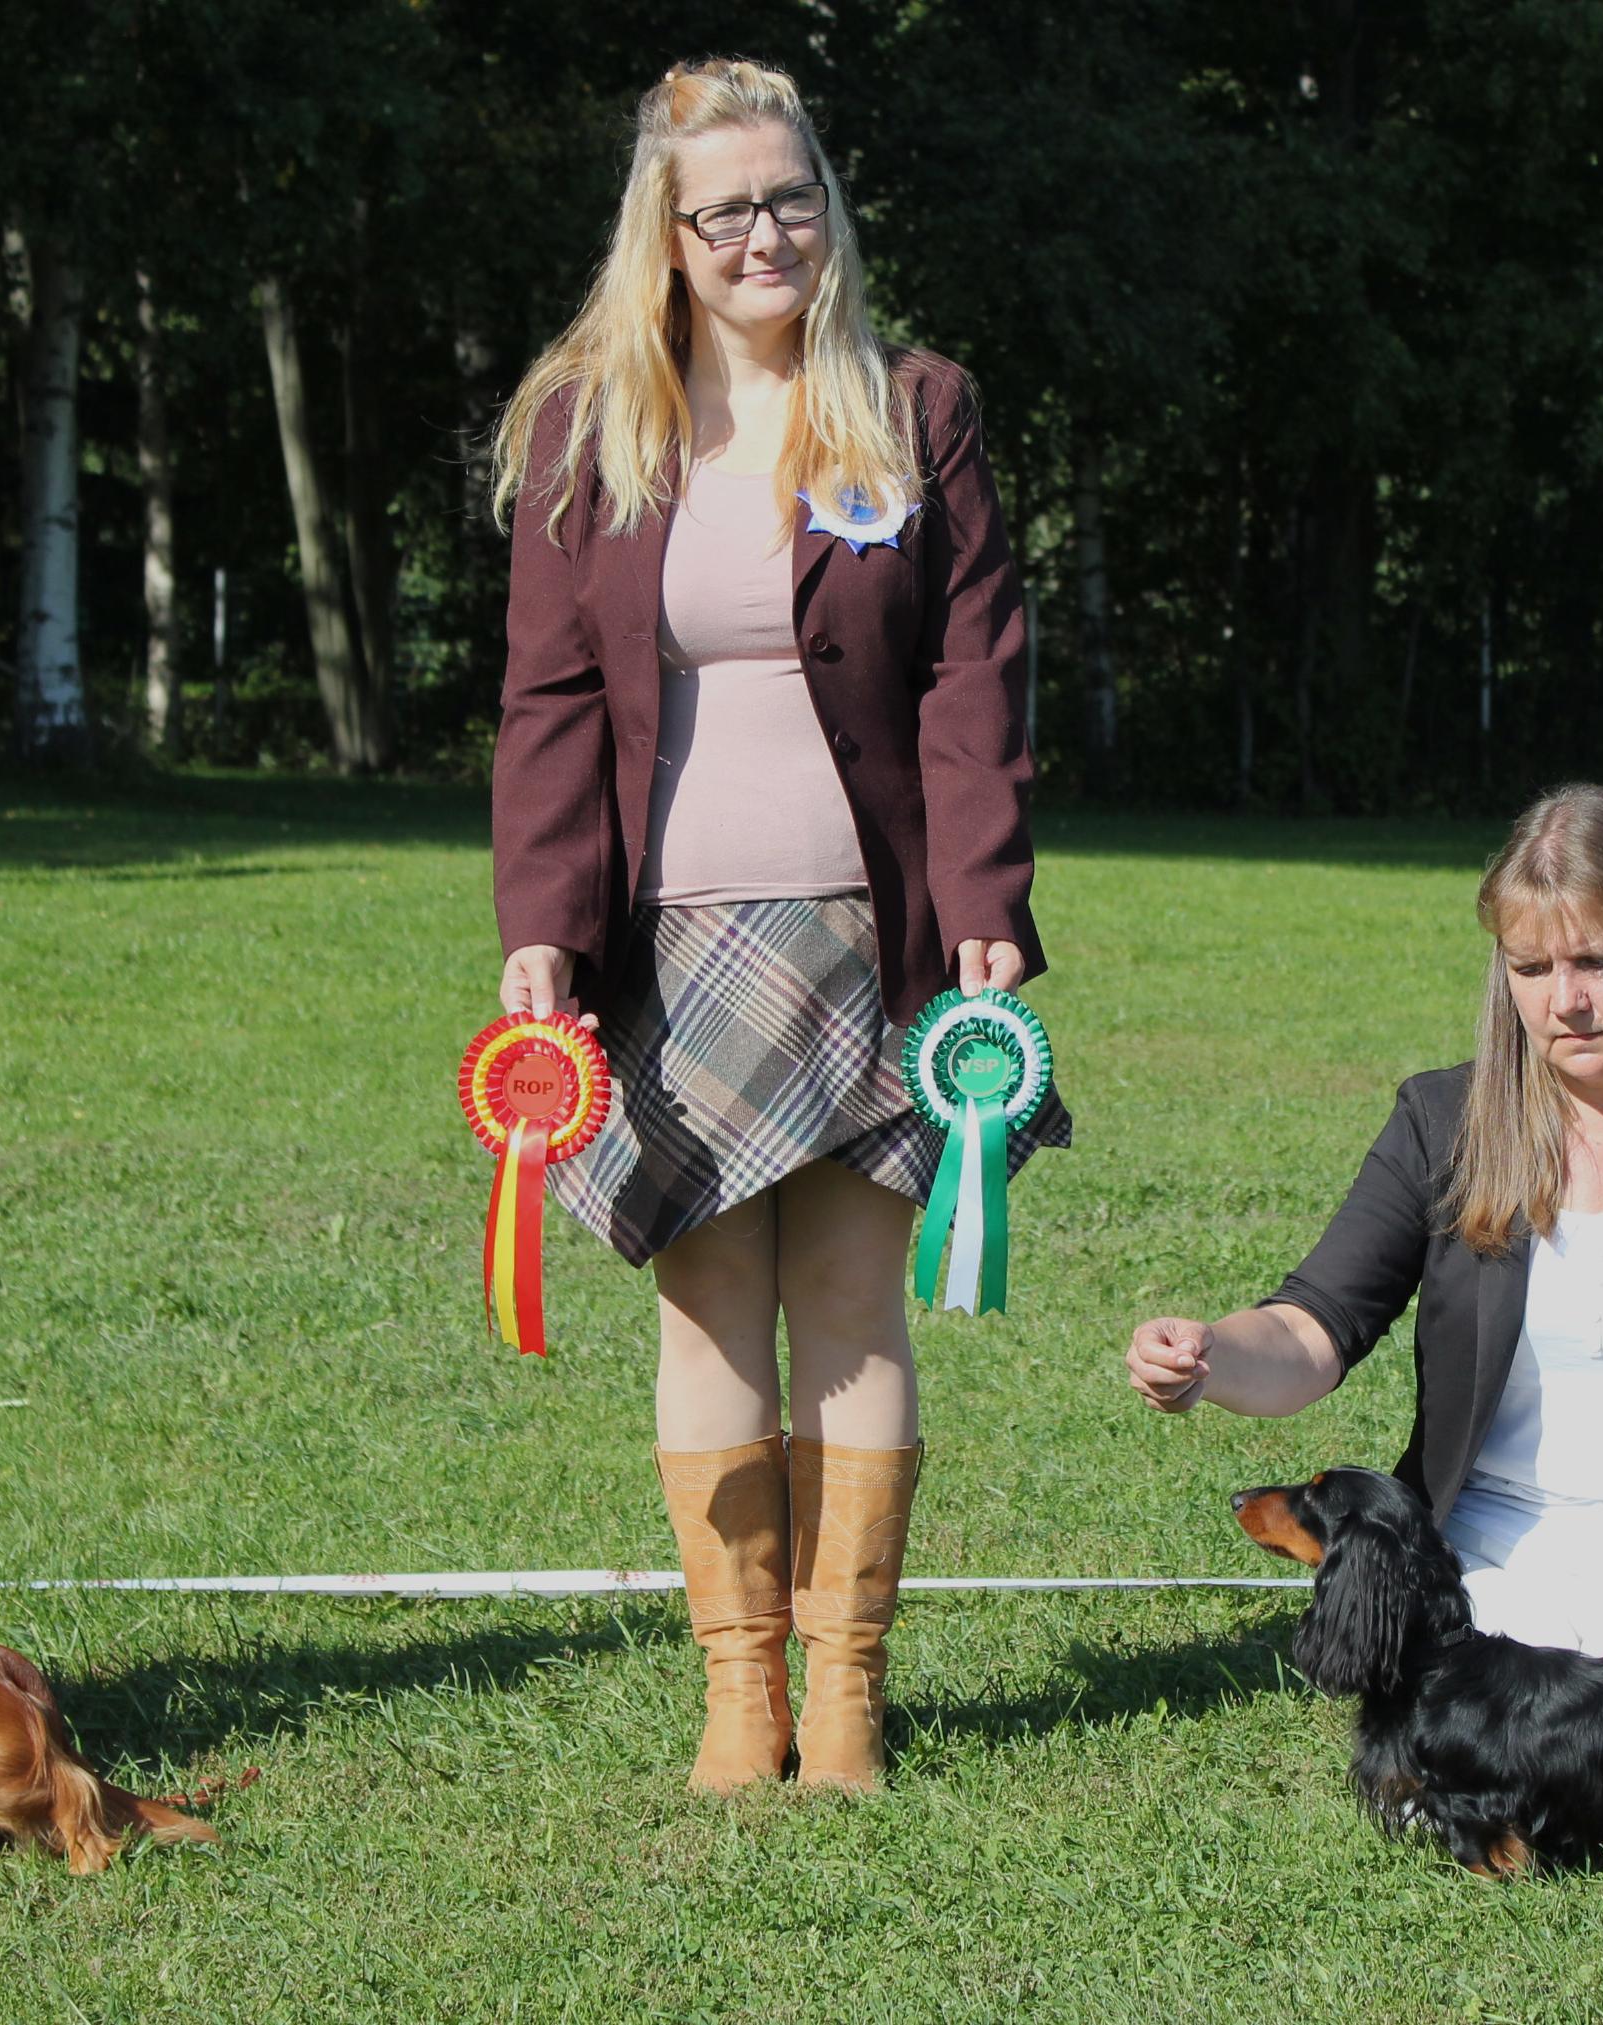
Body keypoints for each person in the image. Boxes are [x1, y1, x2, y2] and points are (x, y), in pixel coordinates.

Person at [489, 57, 1068, 1794]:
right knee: (706, 1304)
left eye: (790, 198)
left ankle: (848, 1696)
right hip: (664, 954)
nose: (764, 236)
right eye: (725, 210)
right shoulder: (582, 426)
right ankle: (740, 1696)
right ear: (663, 236)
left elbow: (973, 666)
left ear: (830, 205)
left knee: (852, 1304)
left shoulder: (915, 405)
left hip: (871, 940)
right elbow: (547, 700)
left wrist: (983, 897)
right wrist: (542, 924)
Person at [1125, 784, 1603, 1684]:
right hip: (1486, 1567)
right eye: (1530, 967)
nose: (1565, 1001)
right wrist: (1208, 1356)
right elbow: (1312, 1326)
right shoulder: (1439, 1123)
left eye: (1597, 960)